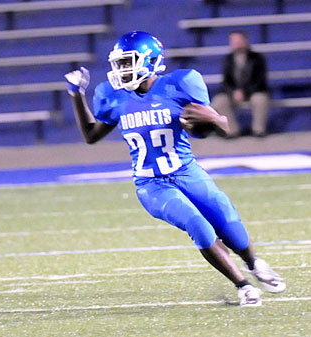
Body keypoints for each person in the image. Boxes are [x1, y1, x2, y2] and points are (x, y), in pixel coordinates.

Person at [64, 31, 285, 307]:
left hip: (187, 171)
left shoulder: (179, 85)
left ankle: (254, 263)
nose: (122, 70)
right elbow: (91, 135)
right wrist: (76, 94)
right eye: (119, 63)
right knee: (200, 227)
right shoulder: (113, 96)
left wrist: (213, 117)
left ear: (151, 60)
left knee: (229, 225)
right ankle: (243, 286)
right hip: (151, 184)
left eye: (128, 62)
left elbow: (218, 129)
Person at [211, 30, 270, 138]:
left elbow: (260, 79)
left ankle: (258, 130)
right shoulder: (228, 59)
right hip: (234, 94)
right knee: (219, 101)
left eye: (239, 40)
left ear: (245, 41)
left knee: (260, 99)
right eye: (234, 41)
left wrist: (245, 92)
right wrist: (233, 92)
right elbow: (226, 81)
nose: (237, 43)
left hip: (254, 91)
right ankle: (232, 131)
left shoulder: (257, 58)